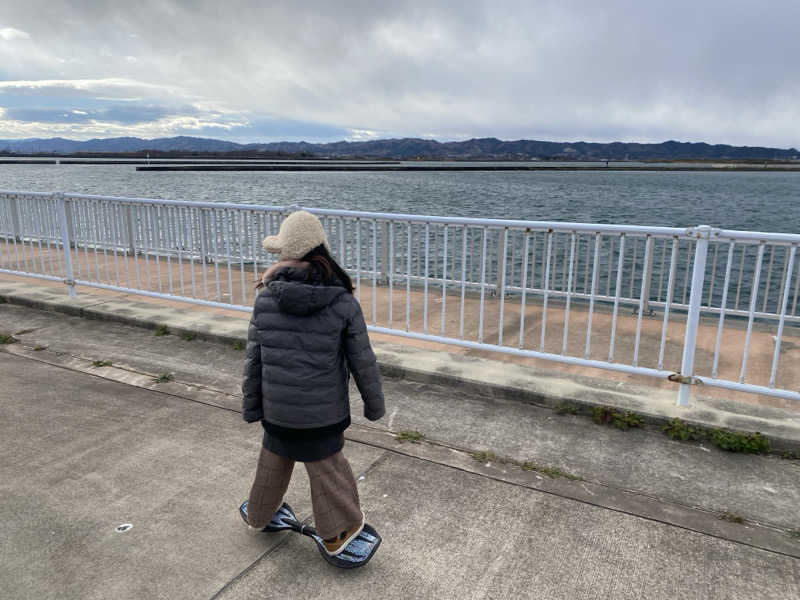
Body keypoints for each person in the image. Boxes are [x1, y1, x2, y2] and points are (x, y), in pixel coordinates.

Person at [240, 210, 385, 556]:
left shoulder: (266, 298)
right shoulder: (343, 302)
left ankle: (259, 516)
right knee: (329, 475)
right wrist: (374, 406)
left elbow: (254, 361)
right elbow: (362, 361)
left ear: (286, 255)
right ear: (322, 251)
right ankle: (339, 535)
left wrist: (252, 408)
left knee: (272, 465)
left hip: (278, 414)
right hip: (322, 416)